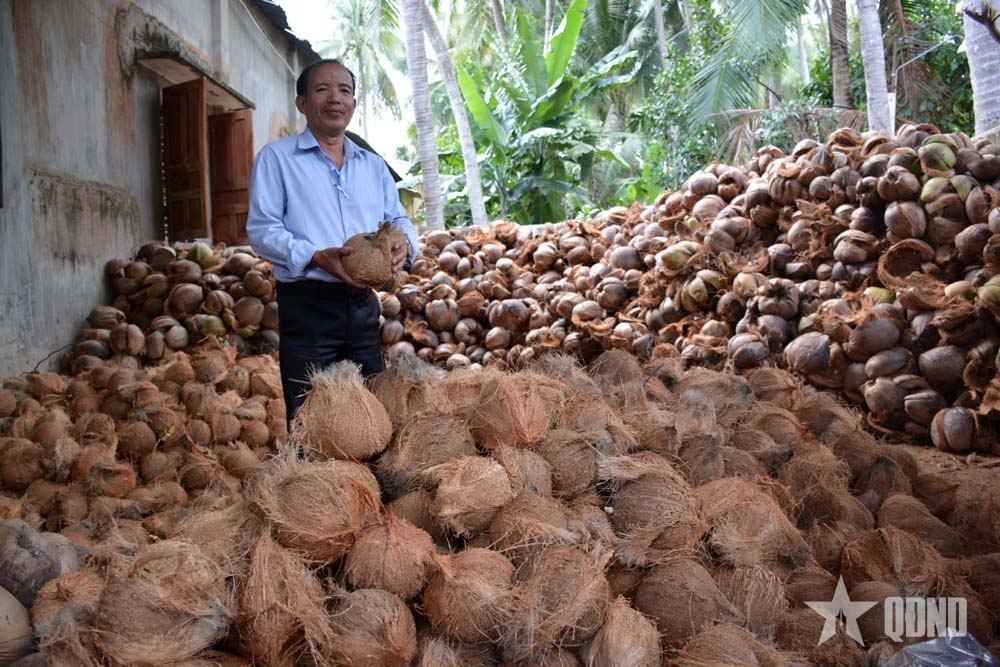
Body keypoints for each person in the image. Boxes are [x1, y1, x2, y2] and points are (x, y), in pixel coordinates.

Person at [247, 58, 419, 428]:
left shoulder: (374, 166)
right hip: (307, 306)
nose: (334, 98)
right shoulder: (276, 159)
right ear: (302, 103)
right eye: (322, 89)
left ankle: (365, 486)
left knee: (370, 416)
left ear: (354, 105)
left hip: (362, 308)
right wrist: (315, 256)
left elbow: (399, 219)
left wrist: (404, 243)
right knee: (310, 419)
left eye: (344, 90)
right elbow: (262, 229)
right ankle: (313, 485)